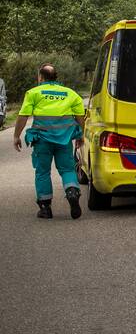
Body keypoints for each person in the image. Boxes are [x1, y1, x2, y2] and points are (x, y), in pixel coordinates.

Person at [12, 64, 86, 219]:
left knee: (43, 172)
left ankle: (45, 208)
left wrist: (16, 136)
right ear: (56, 77)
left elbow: (23, 115)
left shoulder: (33, 93)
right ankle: (72, 191)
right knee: (67, 170)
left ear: (40, 77)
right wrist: (81, 135)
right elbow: (80, 116)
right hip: (64, 140)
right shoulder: (70, 94)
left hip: (42, 140)